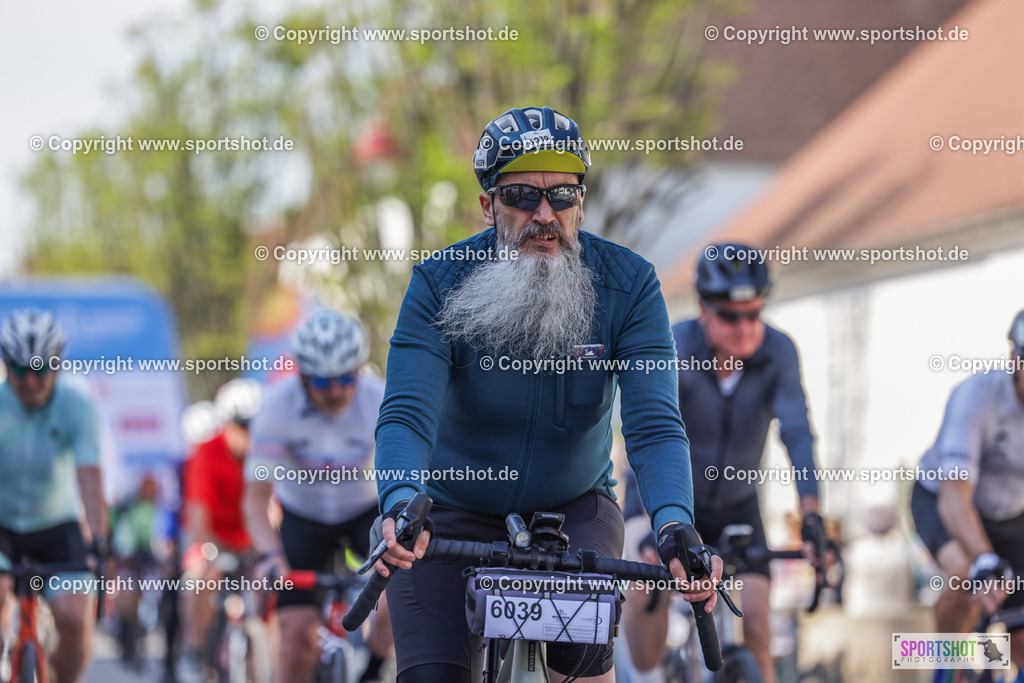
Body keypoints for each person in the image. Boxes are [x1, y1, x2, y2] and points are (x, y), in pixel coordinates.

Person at [371, 106, 723, 683]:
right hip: (448, 515)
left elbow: (655, 425)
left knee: (579, 669)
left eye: (562, 194)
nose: (544, 215)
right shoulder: (439, 281)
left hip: (572, 511)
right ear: (488, 206)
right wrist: (399, 502)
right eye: (519, 196)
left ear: (581, 202)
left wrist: (674, 525)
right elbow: (407, 415)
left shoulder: (629, 285)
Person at [621, 244, 821, 683]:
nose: (745, 327)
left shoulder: (779, 351)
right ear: (702, 308)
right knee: (644, 623)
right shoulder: (674, 346)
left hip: (737, 506)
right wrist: (649, 526)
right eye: (730, 316)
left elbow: (798, 433)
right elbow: (643, 438)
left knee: (759, 630)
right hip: (663, 506)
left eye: (754, 314)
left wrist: (812, 517)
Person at [244, 310, 394, 683]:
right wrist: (269, 557)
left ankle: (374, 668)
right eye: (324, 381)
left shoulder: (379, 396)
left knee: (405, 585)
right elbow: (255, 499)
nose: (337, 390)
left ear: (359, 369)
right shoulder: (277, 404)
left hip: (363, 511)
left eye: (347, 378)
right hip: (302, 518)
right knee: (296, 640)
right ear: (303, 376)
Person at [912, 309, 1024, 672]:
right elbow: (954, 499)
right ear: (1015, 360)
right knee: (967, 577)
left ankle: (993, 662)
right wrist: (984, 559)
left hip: (1012, 515)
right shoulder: (976, 397)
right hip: (942, 501)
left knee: (1019, 642)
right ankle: (945, 669)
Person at [0, 308, 108, 683]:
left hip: (57, 525)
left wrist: (99, 539)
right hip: (2, 524)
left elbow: (90, 478)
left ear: (57, 365)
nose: (30, 382)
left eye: (41, 370)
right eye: (18, 371)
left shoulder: (78, 405)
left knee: (76, 619)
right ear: (5, 365)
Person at [180, 377, 261, 664]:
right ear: (226, 423)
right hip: (213, 539)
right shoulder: (206, 451)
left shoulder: (264, 452)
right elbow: (199, 513)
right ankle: (196, 649)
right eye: (242, 425)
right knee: (201, 577)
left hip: (252, 542)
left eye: (255, 425)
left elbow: (275, 505)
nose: (249, 434)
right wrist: (213, 549)